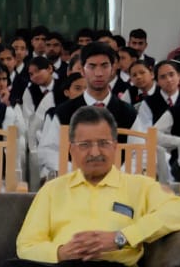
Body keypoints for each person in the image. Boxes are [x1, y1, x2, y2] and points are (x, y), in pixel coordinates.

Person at [0, 106, 180, 267]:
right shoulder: (53, 189)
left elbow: (179, 211)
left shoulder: (139, 186)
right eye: (85, 145)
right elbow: (26, 245)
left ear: (115, 146)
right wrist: (60, 252)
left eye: (103, 143)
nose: (95, 152)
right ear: (72, 149)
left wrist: (121, 237)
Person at [34, 44, 136, 182]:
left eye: (104, 66)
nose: (98, 73)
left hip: (118, 183)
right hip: (74, 182)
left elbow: (140, 152)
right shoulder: (63, 112)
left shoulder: (129, 113)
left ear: (113, 69)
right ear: (82, 70)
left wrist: (114, 175)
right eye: (92, 67)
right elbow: (49, 151)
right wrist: (79, 173)